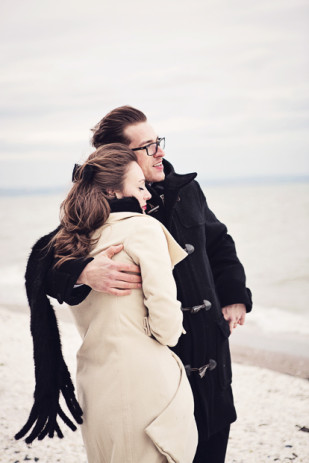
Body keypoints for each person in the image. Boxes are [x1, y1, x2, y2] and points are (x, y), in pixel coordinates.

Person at [22, 106, 252, 463]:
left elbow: (219, 242)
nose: (160, 151)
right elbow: (43, 260)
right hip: (156, 374)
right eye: (147, 146)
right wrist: (82, 272)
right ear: (119, 156)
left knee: (211, 446)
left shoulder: (186, 190)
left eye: (158, 141)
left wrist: (235, 295)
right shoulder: (99, 208)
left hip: (210, 356)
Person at [16, 144, 198, 463]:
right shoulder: (144, 229)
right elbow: (167, 324)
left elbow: (37, 267)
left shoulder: (71, 240)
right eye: (140, 186)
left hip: (95, 380)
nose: (148, 196)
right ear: (113, 191)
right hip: (145, 381)